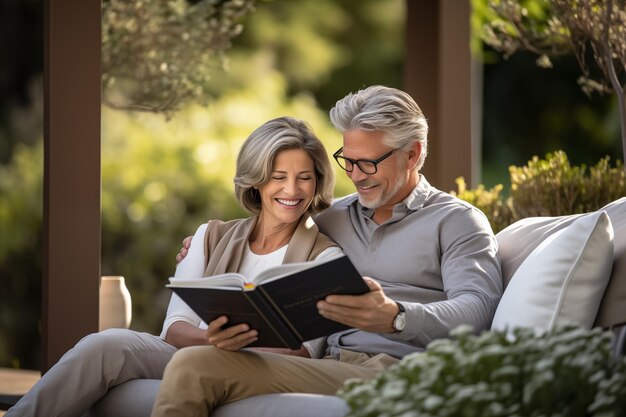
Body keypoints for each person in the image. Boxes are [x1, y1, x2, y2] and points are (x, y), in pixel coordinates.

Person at [152, 85, 503, 416]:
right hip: (324, 366)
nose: (355, 175)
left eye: (368, 163)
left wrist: (396, 317)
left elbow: (478, 308)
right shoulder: (331, 218)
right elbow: (270, 221)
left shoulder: (457, 221)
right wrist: (203, 243)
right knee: (192, 362)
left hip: (402, 369)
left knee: (194, 364)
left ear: (412, 154)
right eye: (347, 161)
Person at [6, 116, 342, 417]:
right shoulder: (209, 237)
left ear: (317, 183)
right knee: (105, 343)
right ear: (256, 180)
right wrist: (213, 340)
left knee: (196, 363)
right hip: (195, 353)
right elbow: (174, 330)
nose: (291, 190)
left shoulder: (325, 258)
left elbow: (304, 351)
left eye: (304, 178)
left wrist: (235, 347)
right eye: (278, 177)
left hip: (258, 370)